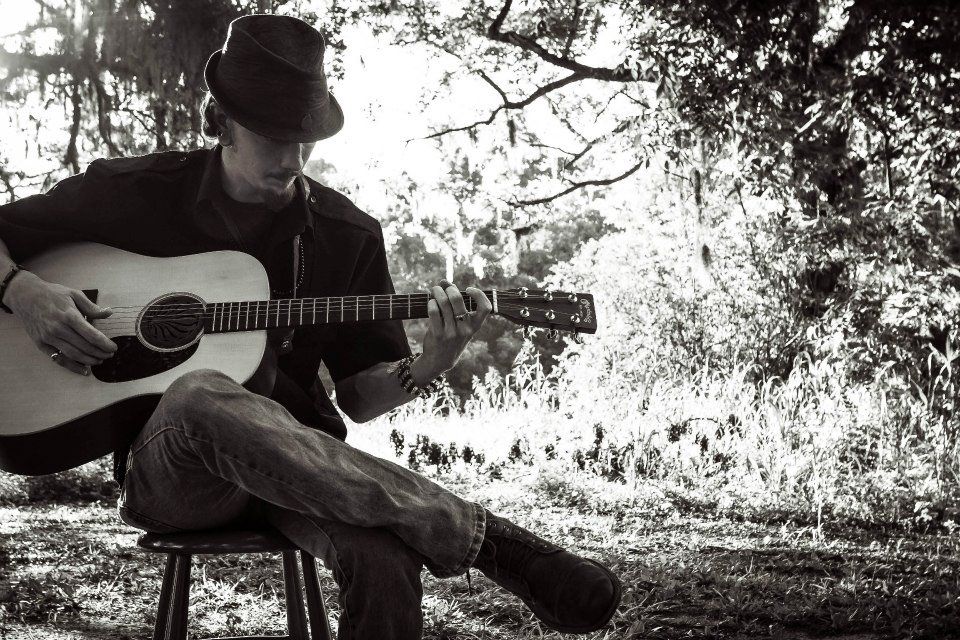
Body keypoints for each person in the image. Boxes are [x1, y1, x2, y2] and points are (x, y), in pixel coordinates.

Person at [0, 14, 621, 639]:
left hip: (308, 471)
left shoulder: (347, 234)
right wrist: (21, 290)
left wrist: (431, 362)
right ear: (223, 122)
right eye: (274, 138)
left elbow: (359, 398)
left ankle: (471, 542)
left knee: (384, 555)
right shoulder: (136, 193)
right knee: (199, 394)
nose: (293, 159)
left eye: (306, 140)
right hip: (177, 475)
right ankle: (496, 547)